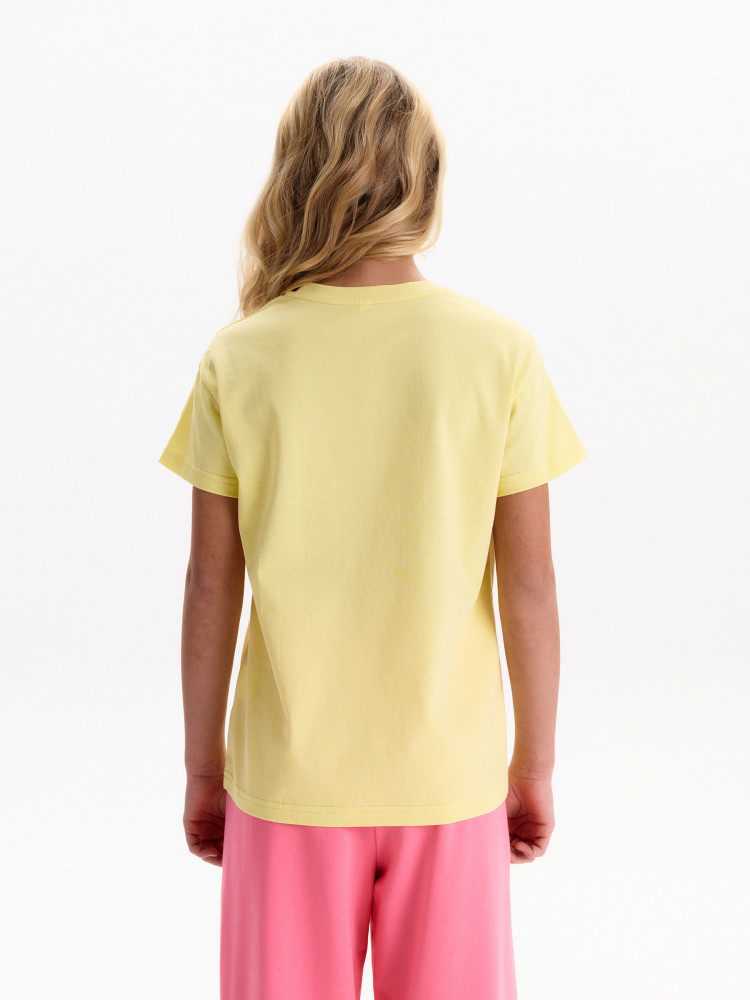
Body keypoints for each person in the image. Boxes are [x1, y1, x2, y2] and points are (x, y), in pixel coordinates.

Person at [158, 55, 588, 1000]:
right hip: (451, 781)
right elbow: (531, 584)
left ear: (294, 177)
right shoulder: (499, 352)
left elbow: (210, 583)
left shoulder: (242, 357)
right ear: (426, 179)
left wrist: (202, 768)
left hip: (288, 782)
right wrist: (535, 765)